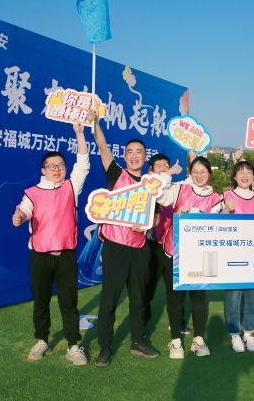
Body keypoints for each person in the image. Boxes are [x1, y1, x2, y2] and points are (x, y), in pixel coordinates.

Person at [12, 121, 90, 365]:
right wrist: (19, 216)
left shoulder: (70, 187)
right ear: (43, 169)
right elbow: (24, 211)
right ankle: (42, 340)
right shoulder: (32, 192)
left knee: (69, 303)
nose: (57, 169)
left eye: (60, 165)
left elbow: (83, 163)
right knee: (41, 302)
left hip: (66, 256)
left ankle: (73, 345)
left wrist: (79, 134)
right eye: (52, 166)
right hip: (40, 257)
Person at [90, 112, 162, 367]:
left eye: (138, 152)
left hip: (140, 248)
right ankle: (105, 347)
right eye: (130, 151)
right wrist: (95, 122)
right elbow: (102, 146)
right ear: (124, 156)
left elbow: (156, 217)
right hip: (115, 246)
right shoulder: (116, 175)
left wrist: (146, 226)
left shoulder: (150, 185)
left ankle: (138, 340)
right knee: (109, 297)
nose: (134, 155)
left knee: (139, 297)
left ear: (145, 157)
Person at [157, 156, 223, 358]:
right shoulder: (180, 189)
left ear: (209, 174)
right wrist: (168, 174)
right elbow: (159, 195)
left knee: (199, 298)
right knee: (175, 297)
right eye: (195, 172)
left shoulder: (216, 198)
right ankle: (176, 341)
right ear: (190, 174)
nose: (199, 175)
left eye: (203, 172)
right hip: (174, 251)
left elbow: (213, 220)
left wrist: (192, 211)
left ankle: (199, 339)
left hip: (200, 255)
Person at [222, 161, 254, 353]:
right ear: (234, 177)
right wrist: (226, 210)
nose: (244, 175)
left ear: (253, 176)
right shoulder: (227, 196)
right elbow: (216, 224)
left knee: (251, 296)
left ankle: (248, 332)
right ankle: (234, 333)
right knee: (233, 296)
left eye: (248, 171)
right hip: (233, 254)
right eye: (240, 172)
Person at [142, 154, 188, 337]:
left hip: (172, 246)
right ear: (150, 170)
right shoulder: (146, 188)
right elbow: (157, 188)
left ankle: (178, 322)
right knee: (147, 288)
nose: (163, 168)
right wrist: (166, 174)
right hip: (151, 245)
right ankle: (142, 324)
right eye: (158, 166)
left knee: (175, 288)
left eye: (166, 165)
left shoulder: (177, 188)